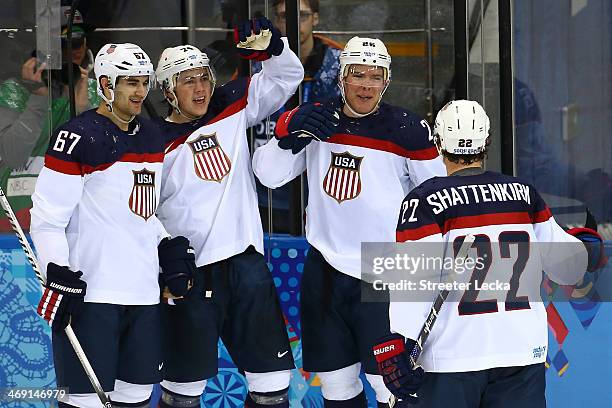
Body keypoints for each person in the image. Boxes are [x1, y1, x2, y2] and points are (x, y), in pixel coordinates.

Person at [372, 100, 607, 407]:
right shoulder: (523, 194)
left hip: (451, 358)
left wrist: (400, 340)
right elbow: (568, 269)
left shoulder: (424, 200)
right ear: (487, 142)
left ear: (439, 143)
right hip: (521, 353)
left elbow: (413, 283)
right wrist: (583, 247)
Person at [252, 37, 445, 407]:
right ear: (342, 77)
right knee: (337, 386)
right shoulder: (319, 119)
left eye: (376, 76)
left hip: (384, 274)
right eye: (358, 74)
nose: (366, 85)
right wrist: (288, 133)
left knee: (390, 386)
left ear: (386, 81)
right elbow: (268, 176)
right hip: (325, 270)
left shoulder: (407, 129)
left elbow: (437, 199)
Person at [30, 43, 196, 408]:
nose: (140, 91)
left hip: (143, 297)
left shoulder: (152, 136)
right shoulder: (76, 137)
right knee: (84, 401)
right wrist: (57, 270)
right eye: (129, 83)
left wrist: (165, 246)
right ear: (106, 84)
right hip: (93, 298)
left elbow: (141, 212)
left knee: (136, 398)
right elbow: (45, 222)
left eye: (144, 82)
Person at [153, 17, 303, 408]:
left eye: (204, 77)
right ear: (169, 91)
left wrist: (272, 49)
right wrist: (163, 258)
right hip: (189, 272)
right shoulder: (152, 145)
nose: (200, 87)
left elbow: (288, 76)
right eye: (187, 80)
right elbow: (140, 213)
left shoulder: (233, 105)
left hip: (246, 266)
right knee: (183, 391)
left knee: (272, 386)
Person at [0, 7, 98, 231]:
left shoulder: (96, 92)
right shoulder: (13, 91)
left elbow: (104, 165)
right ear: (44, 49)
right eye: (63, 43)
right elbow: (12, 156)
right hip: (18, 219)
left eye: (78, 41)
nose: (73, 50)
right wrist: (38, 97)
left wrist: (83, 111)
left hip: (77, 218)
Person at [252, 0, 342, 232]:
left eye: (302, 15)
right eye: (284, 16)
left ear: (315, 18)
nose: (293, 22)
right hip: (267, 195)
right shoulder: (257, 62)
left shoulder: (338, 61)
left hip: (324, 190)